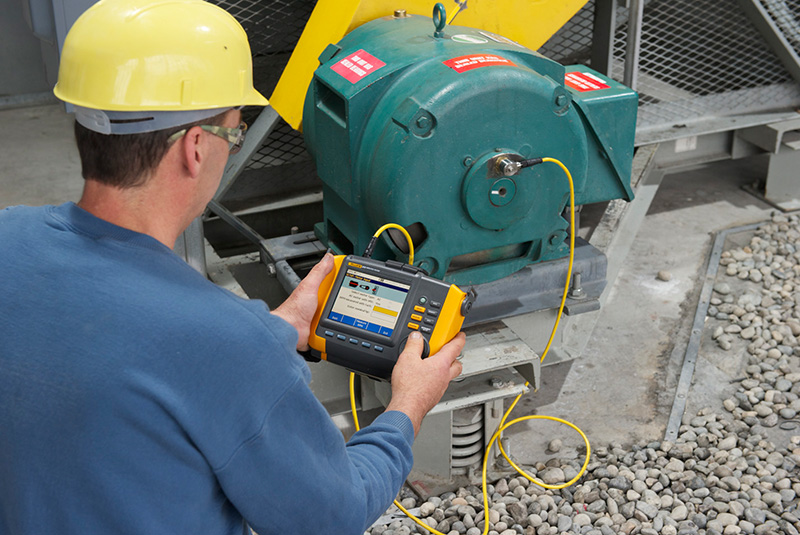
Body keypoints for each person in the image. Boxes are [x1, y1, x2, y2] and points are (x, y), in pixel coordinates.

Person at [0, 0, 465, 534]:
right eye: (235, 133)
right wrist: (407, 406)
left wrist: (275, 328)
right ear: (196, 148)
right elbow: (332, 515)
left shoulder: (7, 235)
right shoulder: (222, 344)